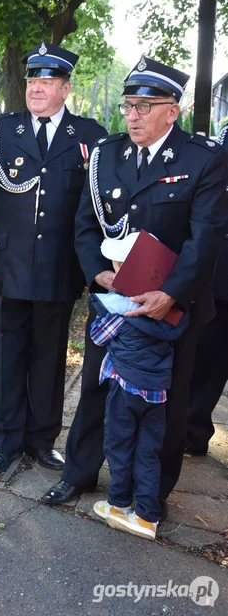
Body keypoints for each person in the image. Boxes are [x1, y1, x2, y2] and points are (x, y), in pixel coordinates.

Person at [42, 55, 228, 512]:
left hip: (173, 308)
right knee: (95, 387)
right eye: (128, 105)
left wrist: (171, 293)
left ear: (173, 109)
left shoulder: (203, 158)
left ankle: (152, 496)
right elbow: (85, 224)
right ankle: (79, 475)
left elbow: (205, 237)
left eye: (145, 106)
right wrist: (96, 272)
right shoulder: (107, 155)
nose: (132, 115)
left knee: (168, 401)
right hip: (114, 299)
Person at [0, 42, 107, 473]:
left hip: (60, 268)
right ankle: (3, 441)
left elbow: (96, 210)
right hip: (8, 264)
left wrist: (90, 267)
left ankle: (43, 440)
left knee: (50, 356)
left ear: (65, 88)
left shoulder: (89, 136)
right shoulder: (0, 131)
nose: (36, 89)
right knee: (5, 357)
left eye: (46, 82)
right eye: (31, 81)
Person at [90, 234, 188, 540]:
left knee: (119, 447)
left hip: (124, 390)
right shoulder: (170, 314)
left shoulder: (119, 310)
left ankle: (118, 504)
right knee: (149, 453)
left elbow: (98, 337)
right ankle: (147, 516)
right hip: (156, 394)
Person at [185, 124, 228, 456]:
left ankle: (192, 429)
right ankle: (191, 430)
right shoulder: (219, 145)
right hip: (217, 273)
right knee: (206, 356)